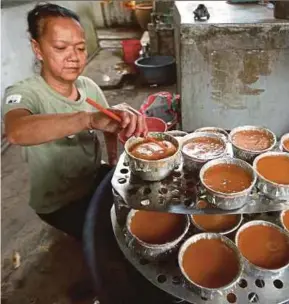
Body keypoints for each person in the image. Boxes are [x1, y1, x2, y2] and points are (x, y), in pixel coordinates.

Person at [3, 3, 147, 241]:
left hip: (93, 177)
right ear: (37, 49)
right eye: (61, 47)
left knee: (142, 203)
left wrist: (113, 163)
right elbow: (16, 132)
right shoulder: (24, 93)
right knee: (119, 236)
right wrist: (88, 119)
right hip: (59, 201)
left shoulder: (88, 87)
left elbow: (109, 125)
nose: (74, 58)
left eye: (80, 48)